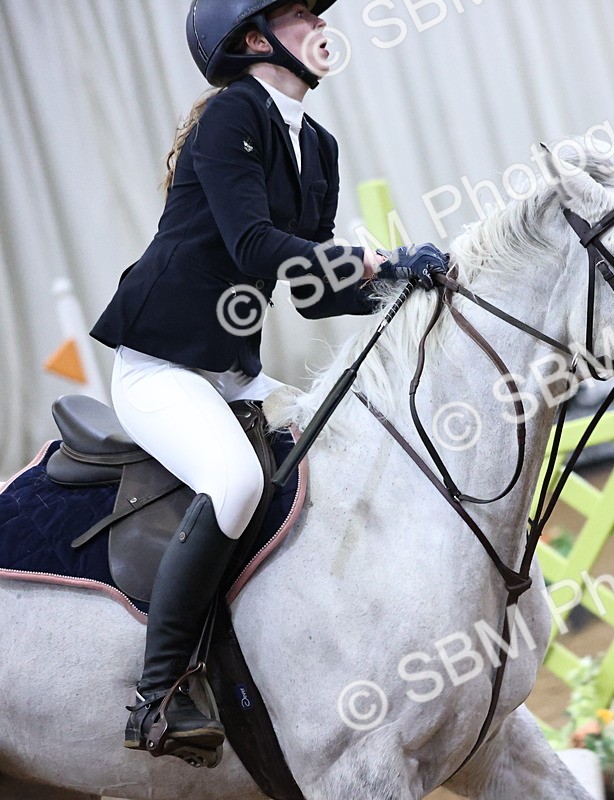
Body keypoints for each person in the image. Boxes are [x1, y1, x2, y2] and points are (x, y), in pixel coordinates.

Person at [89, 0, 446, 763]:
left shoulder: (317, 145)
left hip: (232, 374)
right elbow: (255, 245)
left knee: (345, 449)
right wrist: (371, 261)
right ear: (253, 42)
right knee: (236, 481)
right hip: (159, 367)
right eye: (294, 17)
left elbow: (312, 289)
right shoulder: (231, 118)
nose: (319, 27)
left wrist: (400, 283)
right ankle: (159, 696)